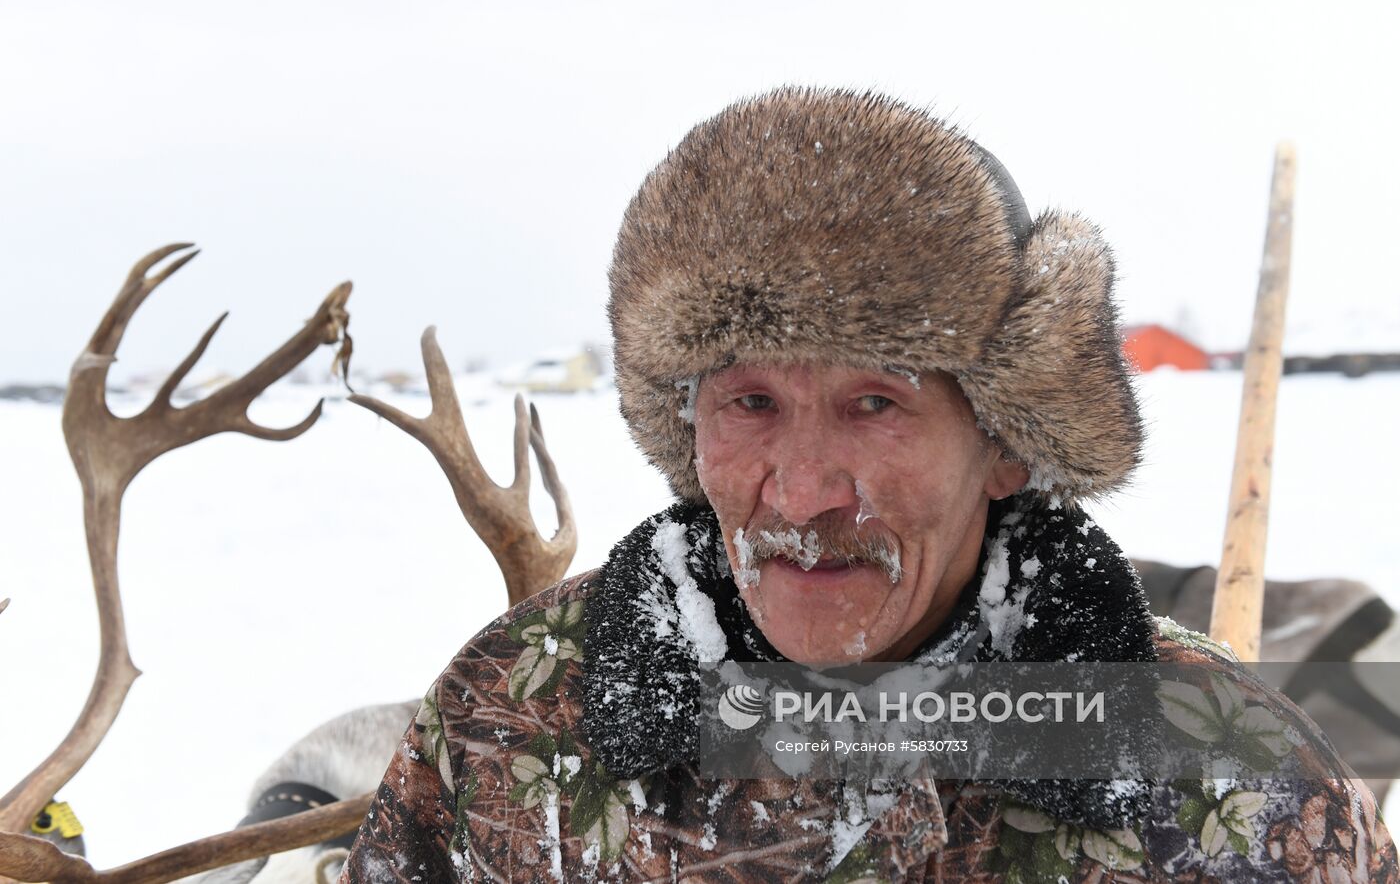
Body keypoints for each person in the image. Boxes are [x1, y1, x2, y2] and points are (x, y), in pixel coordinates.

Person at [341, 88, 1396, 882]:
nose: (801, 498)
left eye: (873, 405)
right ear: (687, 429)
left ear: (1004, 445)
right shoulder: (510, 709)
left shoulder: (1235, 783)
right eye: (750, 403)